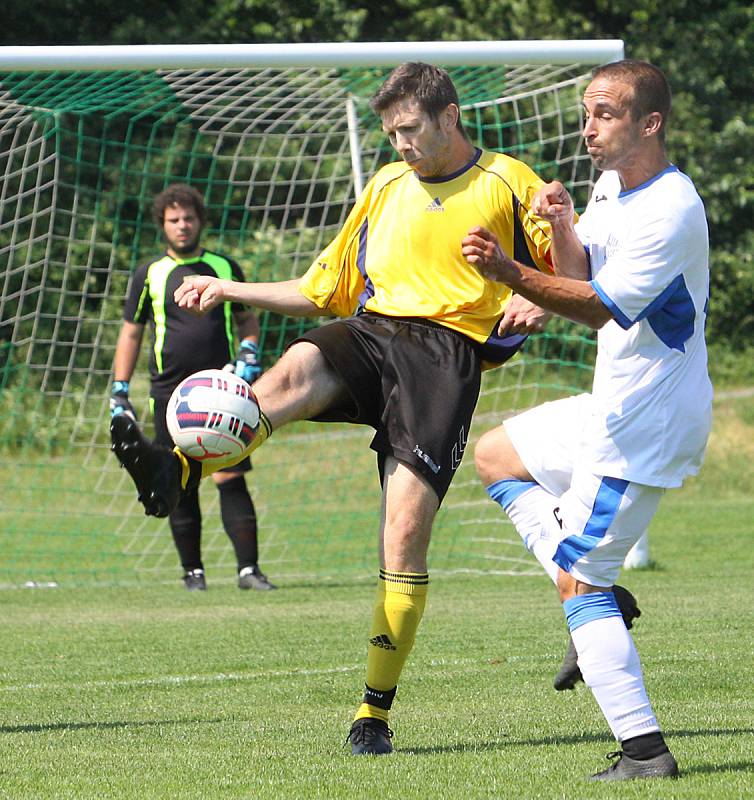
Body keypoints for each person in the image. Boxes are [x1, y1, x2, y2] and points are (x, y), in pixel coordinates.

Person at [111, 62, 557, 754]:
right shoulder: (384, 185)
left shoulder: (511, 181)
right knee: (295, 367)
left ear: (450, 116)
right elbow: (325, 288)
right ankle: (175, 474)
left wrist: (537, 294)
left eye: (409, 130)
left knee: (403, 535)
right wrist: (232, 293)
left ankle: (372, 712)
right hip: (374, 332)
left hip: (445, 358)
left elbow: (577, 274)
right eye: (390, 134)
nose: (400, 145)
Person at [463, 59, 711, 781]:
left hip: (646, 425)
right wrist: (563, 225)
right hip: (615, 408)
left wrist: (510, 272)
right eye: (587, 111)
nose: (588, 125)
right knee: (497, 456)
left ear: (649, 124)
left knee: (578, 584)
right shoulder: (611, 186)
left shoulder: (672, 208)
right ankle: (602, 597)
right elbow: (580, 273)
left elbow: (599, 307)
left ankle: (644, 752)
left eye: (605, 113)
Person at [110, 183, 276, 592]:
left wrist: (250, 353)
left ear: (200, 221)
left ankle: (248, 571)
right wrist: (119, 389)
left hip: (222, 392)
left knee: (230, 476)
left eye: (188, 218)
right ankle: (193, 573)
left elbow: (246, 320)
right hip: (171, 396)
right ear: (162, 225)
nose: (182, 226)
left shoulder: (223, 267)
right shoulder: (147, 274)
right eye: (173, 220)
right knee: (178, 479)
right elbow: (131, 334)